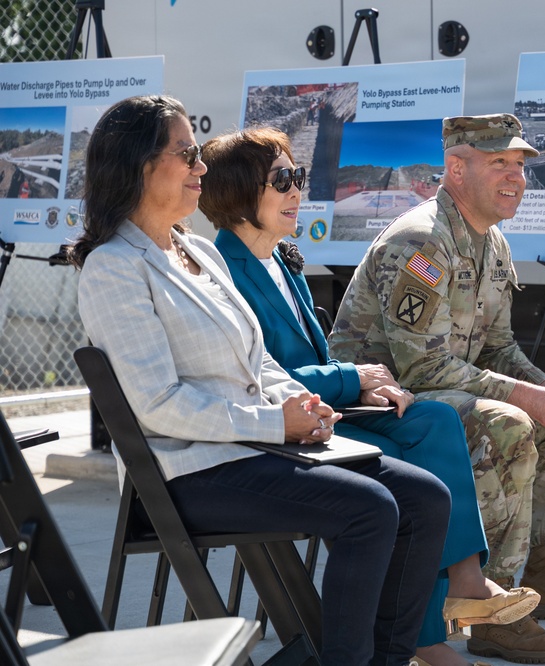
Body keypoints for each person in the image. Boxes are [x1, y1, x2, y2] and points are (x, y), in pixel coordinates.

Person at [70, 94, 451, 666]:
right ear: (141, 165)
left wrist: (302, 402)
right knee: (370, 509)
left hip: (248, 450)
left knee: (425, 497)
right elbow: (157, 404)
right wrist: (276, 423)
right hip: (189, 471)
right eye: (188, 154)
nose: (200, 167)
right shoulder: (113, 268)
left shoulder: (196, 250)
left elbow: (258, 361)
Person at [197, 126, 539, 666]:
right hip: (286, 424)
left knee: (432, 421)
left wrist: (373, 387)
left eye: (299, 177)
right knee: (407, 468)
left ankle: (466, 580)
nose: (297, 192)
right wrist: (353, 379)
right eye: (282, 180)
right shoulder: (225, 274)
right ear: (238, 194)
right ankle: (425, 636)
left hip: (336, 404)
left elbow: (318, 357)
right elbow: (262, 379)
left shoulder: (280, 261)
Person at [329, 114, 545, 664]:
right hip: (382, 400)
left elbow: (496, 347)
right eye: (499, 164)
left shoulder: (491, 242)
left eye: (518, 165)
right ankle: (489, 608)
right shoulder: (423, 242)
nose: (515, 177)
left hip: (443, 386)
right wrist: (525, 399)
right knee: (508, 424)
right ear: (456, 168)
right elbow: (419, 367)